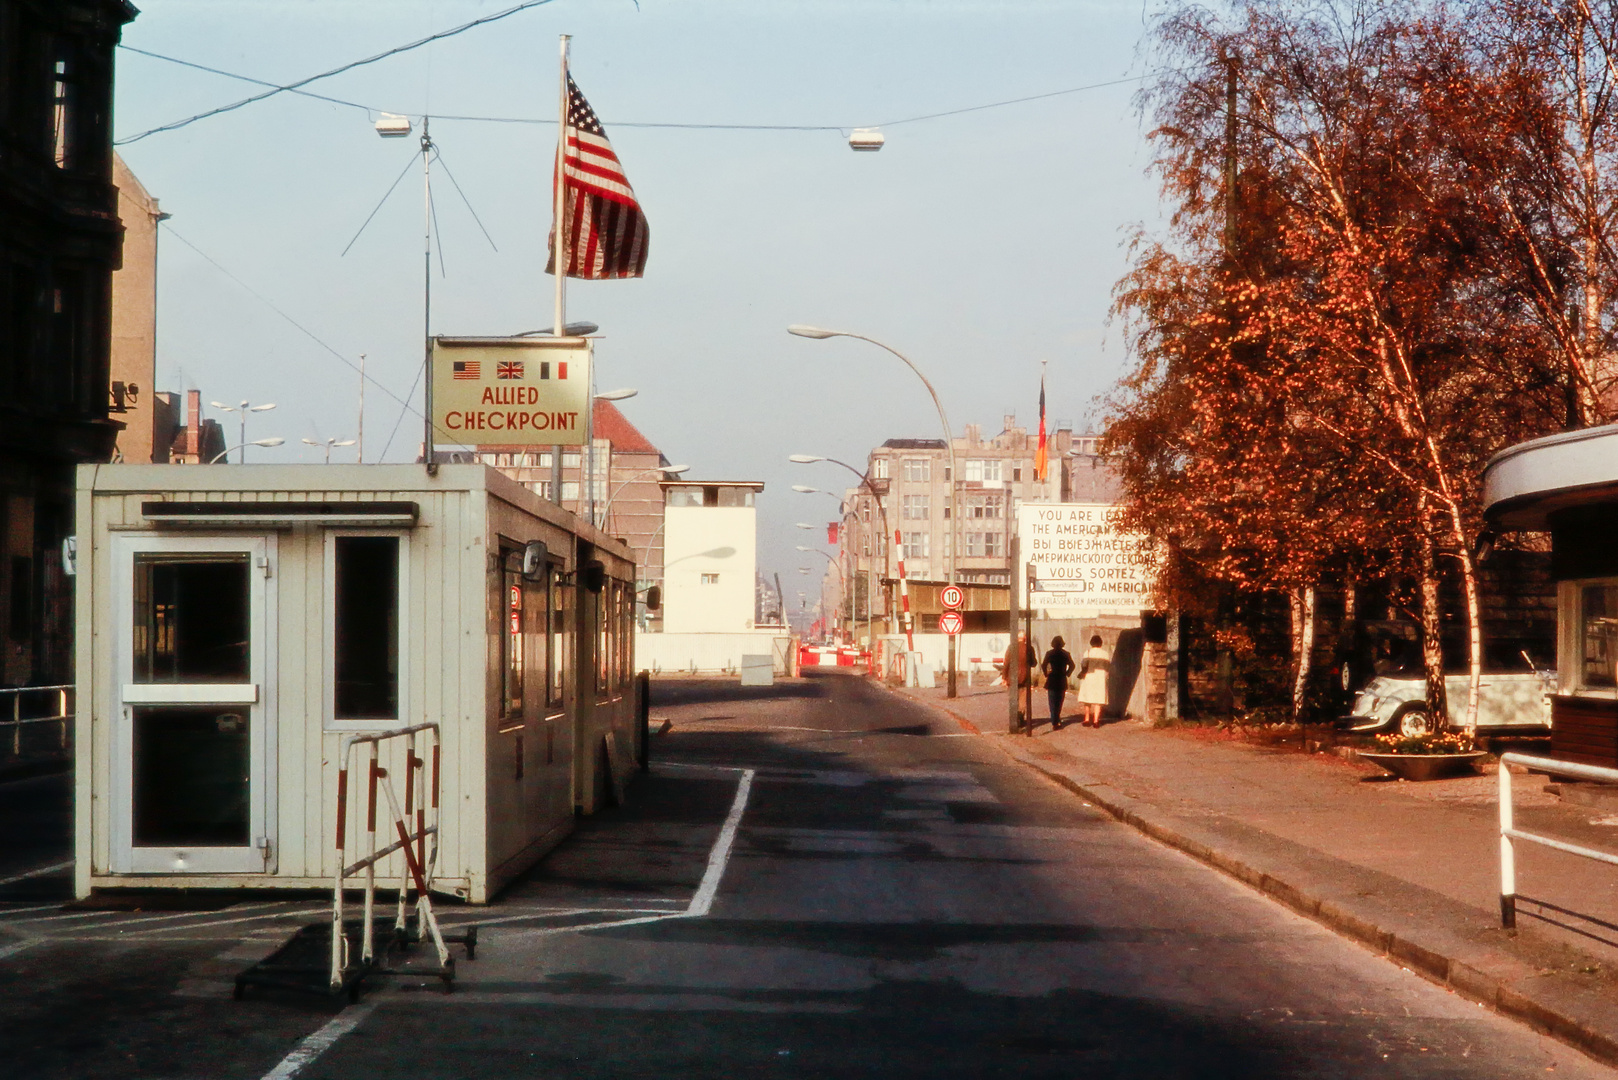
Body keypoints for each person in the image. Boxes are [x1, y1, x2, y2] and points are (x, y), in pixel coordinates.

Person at [1076, 634, 1111, 728]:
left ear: (1091, 643)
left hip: (1089, 677)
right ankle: (1096, 721)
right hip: (1100, 678)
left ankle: (1087, 719)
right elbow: (1108, 667)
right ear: (1101, 643)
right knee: (1098, 699)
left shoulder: (1087, 652)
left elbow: (1084, 665)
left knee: (1087, 699)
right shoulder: (1105, 654)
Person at [1042, 636, 1076, 729]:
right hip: (1061, 679)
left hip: (1052, 679)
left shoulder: (1049, 653)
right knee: (1059, 701)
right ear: (1062, 644)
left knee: (1052, 701)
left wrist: (1046, 674)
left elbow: (1043, 664)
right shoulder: (1066, 654)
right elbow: (1072, 665)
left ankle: (1054, 721)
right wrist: (1067, 673)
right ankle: (1057, 718)